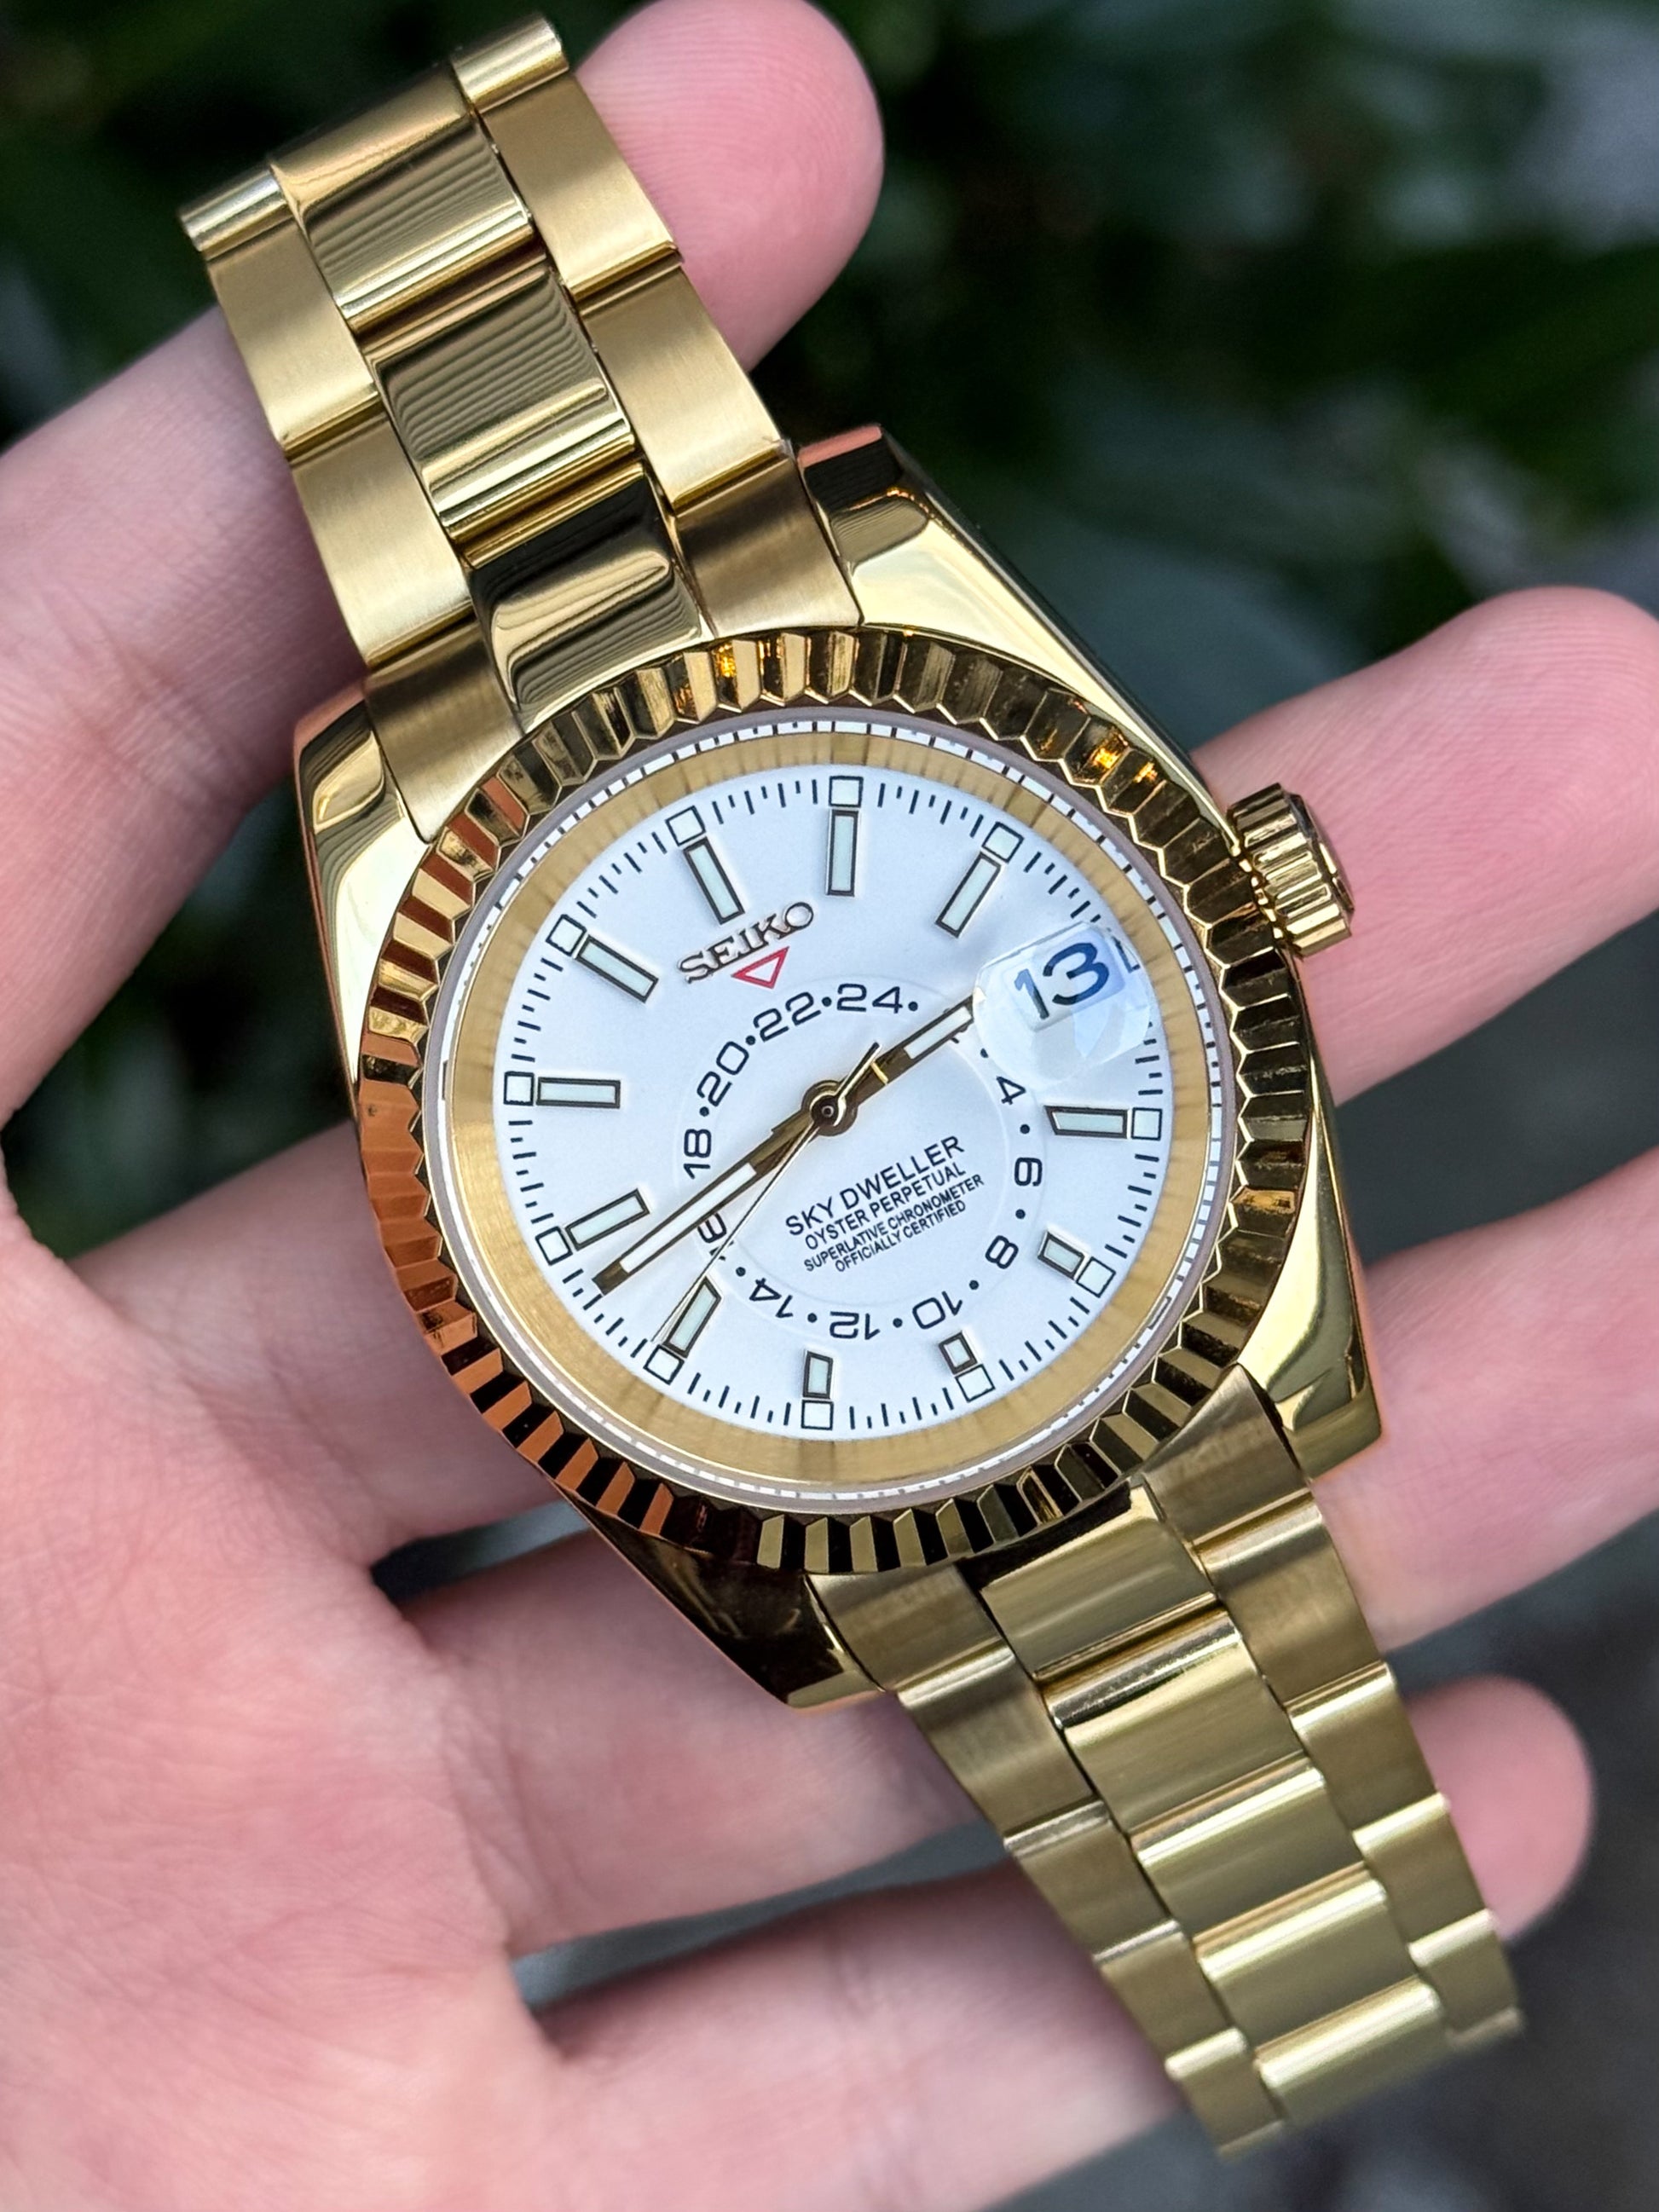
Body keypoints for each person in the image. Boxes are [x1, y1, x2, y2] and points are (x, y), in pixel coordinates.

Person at [0, 0, 1650, 2201]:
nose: (826, 1115)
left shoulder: (801, 664)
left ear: (1241, 889)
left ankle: (1337, 1991)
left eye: (832, 1098)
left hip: (980, 1341)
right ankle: (1326, 2002)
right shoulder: (456, 905)